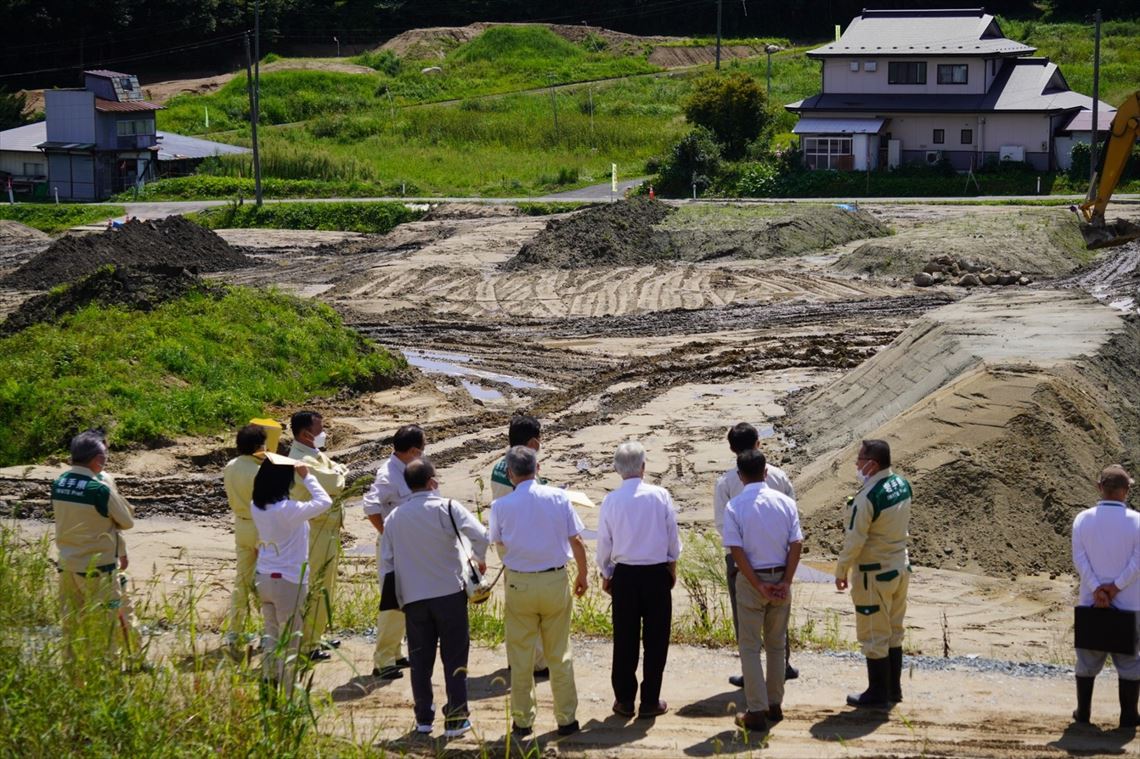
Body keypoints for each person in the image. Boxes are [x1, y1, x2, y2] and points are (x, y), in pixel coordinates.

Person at [381, 457, 489, 737]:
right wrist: (477, 561)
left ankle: (423, 718)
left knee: (420, 661)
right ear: (432, 482)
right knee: (454, 658)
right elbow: (480, 536)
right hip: (449, 594)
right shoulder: (447, 507)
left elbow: (388, 562)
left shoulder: (394, 518)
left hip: (414, 599)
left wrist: (398, 597)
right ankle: (456, 718)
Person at [489, 445, 588, 739]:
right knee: (559, 653)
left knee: (521, 656)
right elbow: (577, 540)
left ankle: (522, 721)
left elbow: (498, 543)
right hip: (554, 580)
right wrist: (583, 574)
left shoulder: (501, 506)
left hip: (519, 582)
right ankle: (566, 719)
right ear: (538, 468)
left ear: (510, 473)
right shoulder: (558, 496)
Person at [596, 441, 681, 719]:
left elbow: (604, 544)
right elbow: (672, 537)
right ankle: (650, 700)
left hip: (626, 574)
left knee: (625, 639)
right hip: (656, 573)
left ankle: (624, 700)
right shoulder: (660, 495)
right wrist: (672, 565)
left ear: (617, 469)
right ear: (643, 466)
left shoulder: (611, 500)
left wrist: (606, 573)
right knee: (656, 640)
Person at [723, 449, 802, 733]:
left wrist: (757, 583)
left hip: (751, 578)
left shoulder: (734, 506)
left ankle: (756, 710)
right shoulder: (785, 503)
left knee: (749, 647)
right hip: (780, 574)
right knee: (777, 644)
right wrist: (786, 581)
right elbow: (796, 544)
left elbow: (736, 550)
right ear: (766, 472)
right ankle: (775, 703)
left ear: (740, 476)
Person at [713, 422, 798, 688]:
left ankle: (751, 672)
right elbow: (793, 517)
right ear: (759, 443)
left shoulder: (727, 481)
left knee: (745, 617)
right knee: (778, 613)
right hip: (778, 554)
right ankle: (782, 665)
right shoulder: (778, 476)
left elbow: (721, 525)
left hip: (741, 558)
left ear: (731, 449)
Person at [835, 439, 912, 709]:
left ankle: (877, 692)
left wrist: (841, 569)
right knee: (894, 630)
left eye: (860, 460)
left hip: (873, 574)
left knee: (873, 633)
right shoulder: (902, 485)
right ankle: (894, 689)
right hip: (899, 568)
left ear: (872, 463)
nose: (857, 464)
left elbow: (855, 539)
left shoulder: (868, 497)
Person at [53, 429, 136, 665]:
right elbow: (127, 521)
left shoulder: (59, 483)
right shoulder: (99, 489)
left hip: (67, 565)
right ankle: (106, 673)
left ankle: (73, 673)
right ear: (98, 459)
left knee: (71, 625)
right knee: (104, 625)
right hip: (98, 568)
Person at [251, 457, 332, 693]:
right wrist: (307, 476)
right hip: (288, 581)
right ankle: (288, 692)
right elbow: (324, 501)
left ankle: (269, 681)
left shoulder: (256, 505)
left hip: (264, 577)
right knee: (291, 640)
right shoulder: (288, 510)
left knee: (271, 635)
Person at [1071, 464, 1140, 728]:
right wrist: (1116, 588)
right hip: (1130, 603)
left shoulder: (1082, 519)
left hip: (1091, 602)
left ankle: (1084, 713)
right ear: (1126, 491)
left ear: (1100, 487)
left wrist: (1098, 588)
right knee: (1131, 662)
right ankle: (1129, 716)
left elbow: (1079, 559)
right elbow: (1138, 562)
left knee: (1087, 659)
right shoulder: (1137, 522)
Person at [361, 424, 425, 679]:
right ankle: (383, 660)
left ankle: (396, 653)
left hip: (409, 546)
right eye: (422, 448)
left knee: (404, 601)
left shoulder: (408, 469)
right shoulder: (389, 475)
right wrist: (386, 532)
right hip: (395, 548)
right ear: (411, 450)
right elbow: (370, 505)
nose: (423, 453)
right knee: (391, 602)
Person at [489, 412, 550, 678]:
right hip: (528, 545)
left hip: (506, 543)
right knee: (536, 611)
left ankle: (516, 658)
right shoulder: (523, 470)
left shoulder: (498, 467)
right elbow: (535, 500)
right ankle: (537, 661)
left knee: (515, 606)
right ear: (533, 442)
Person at [288, 410, 349, 660]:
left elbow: (338, 471)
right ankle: (307, 644)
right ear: (305, 433)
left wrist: (339, 474)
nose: (324, 434)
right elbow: (336, 482)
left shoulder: (314, 455)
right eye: (320, 429)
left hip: (329, 530)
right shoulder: (300, 461)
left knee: (327, 586)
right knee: (315, 586)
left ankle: (317, 634)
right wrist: (340, 475)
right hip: (315, 531)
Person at [222, 423, 269, 646]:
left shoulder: (230, 466)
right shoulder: (261, 471)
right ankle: (269, 630)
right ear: (258, 446)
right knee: (265, 581)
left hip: (240, 525)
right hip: (261, 527)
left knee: (241, 581)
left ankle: (235, 631)